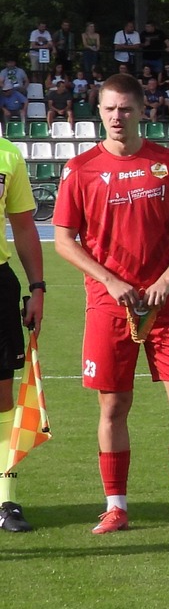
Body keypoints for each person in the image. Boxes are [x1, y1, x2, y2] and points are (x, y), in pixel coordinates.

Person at [51, 72, 169, 533]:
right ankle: (116, 506)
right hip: (109, 305)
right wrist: (109, 281)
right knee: (113, 406)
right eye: (109, 109)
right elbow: (63, 240)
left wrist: (167, 278)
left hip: (167, 302)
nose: (117, 116)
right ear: (99, 112)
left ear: (142, 110)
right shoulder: (80, 170)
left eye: (125, 108)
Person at [0, 126, 46, 532]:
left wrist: (37, 287)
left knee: (1, 398)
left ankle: (5, 500)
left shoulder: (7, 154)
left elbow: (24, 225)